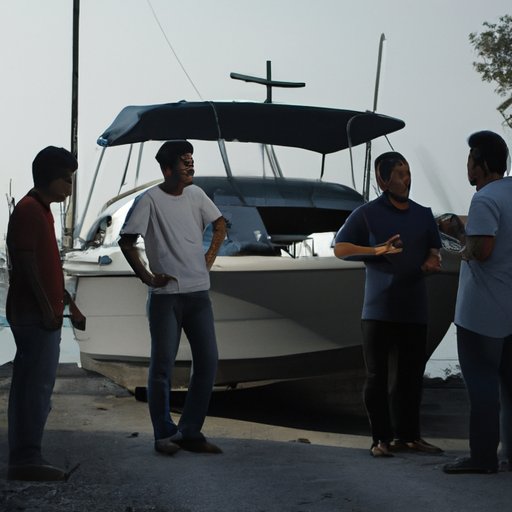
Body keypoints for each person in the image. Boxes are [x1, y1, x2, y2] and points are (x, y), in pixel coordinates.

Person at [118, 140, 226, 456]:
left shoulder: (196, 195)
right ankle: (163, 434)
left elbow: (220, 225)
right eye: (183, 161)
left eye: (191, 159)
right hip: (165, 296)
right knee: (162, 366)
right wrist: (147, 277)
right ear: (167, 169)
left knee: (208, 361)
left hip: (198, 294)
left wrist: (208, 259)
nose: (190, 165)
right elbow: (127, 241)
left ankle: (190, 431)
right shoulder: (149, 200)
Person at [334, 151, 443, 457]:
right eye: (399, 174)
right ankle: (380, 439)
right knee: (377, 377)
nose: (406, 180)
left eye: (408, 173)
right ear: (382, 180)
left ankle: (409, 437)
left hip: (414, 308)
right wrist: (378, 250)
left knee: (411, 377)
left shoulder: (423, 214)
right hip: (378, 310)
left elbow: (434, 250)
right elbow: (340, 248)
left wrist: (432, 261)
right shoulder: (367, 214)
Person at [6, 146, 83, 481]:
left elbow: (46, 266)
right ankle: (26, 457)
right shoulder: (29, 211)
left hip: (41, 314)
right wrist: (45, 308)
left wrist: (66, 303)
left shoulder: (42, 211)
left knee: (35, 386)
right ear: (49, 178)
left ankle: (27, 454)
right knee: (34, 389)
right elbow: (25, 266)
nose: (70, 187)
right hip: (34, 316)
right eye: (66, 180)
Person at [443, 131, 512, 475]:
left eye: (470, 160)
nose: (467, 166)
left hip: (482, 315)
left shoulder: (484, 199)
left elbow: (481, 251)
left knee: (483, 388)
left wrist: (457, 237)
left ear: (481, 165)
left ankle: (483, 458)